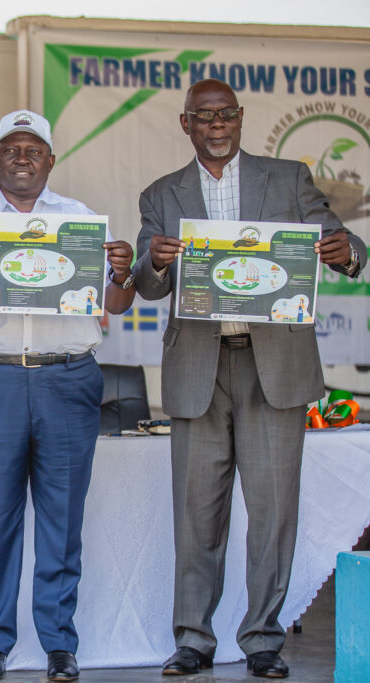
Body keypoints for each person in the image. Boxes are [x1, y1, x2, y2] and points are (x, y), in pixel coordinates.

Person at [132, 79, 366, 679]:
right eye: (203, 116)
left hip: (275, 367)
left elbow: (340, 239)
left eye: (226, 114)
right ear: (185, 124)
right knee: (197, 513)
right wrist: (155, 261)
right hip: (199, 369)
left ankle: (263, 639)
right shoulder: (162, 194)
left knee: (272, 511)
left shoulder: (286, 178)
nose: (216, 124)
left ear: (240, 119)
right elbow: (148, 282)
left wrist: (347, 252)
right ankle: (193, 639)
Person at [0, 110, 137, 682]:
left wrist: (122, 273)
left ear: (51, 160)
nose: (22, 157)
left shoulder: (83, 222)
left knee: (61, 519)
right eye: (11, 149)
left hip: (66, 377)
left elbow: (115, 305)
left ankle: (59, 644)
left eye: (34, 148)